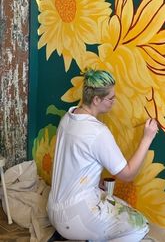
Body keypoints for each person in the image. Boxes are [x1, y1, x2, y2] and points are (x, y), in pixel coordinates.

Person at [47, 69, 158, 242]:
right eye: (111, 98)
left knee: (123, 206)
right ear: (97, 99)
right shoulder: (98, 132)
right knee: (141, 225)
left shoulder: (68, 118)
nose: (114, 102)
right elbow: (127, 174)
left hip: (53, 208)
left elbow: (74, 162)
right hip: (74, 219)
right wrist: (147, 138)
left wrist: (92, 180)